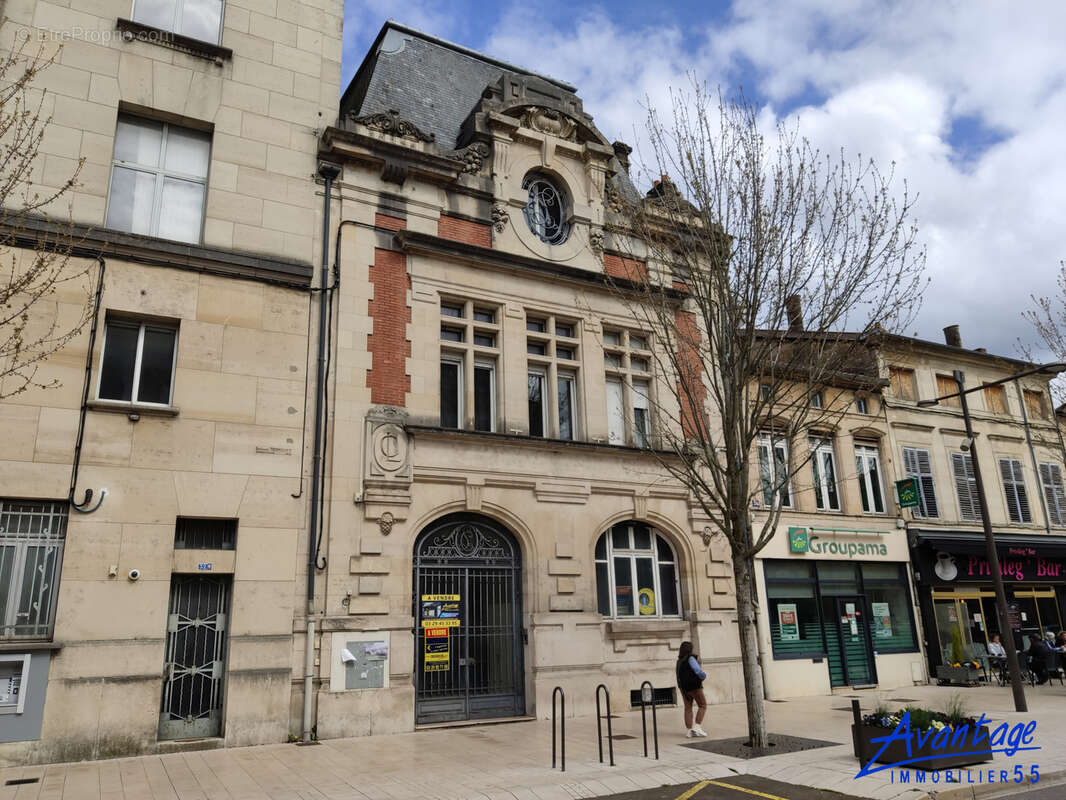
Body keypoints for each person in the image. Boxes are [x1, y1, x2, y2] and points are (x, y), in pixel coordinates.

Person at [676, 641, 707, 738]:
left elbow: (678, 676)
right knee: (703, 705)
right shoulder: (691, 658)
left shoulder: (679, 661)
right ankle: (697, 726)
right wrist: (703, 676)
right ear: (690, 650)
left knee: (688, 708)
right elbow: (697, 670)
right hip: (694, 687)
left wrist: (681, 688)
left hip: (684, 688)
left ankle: (689, 731)